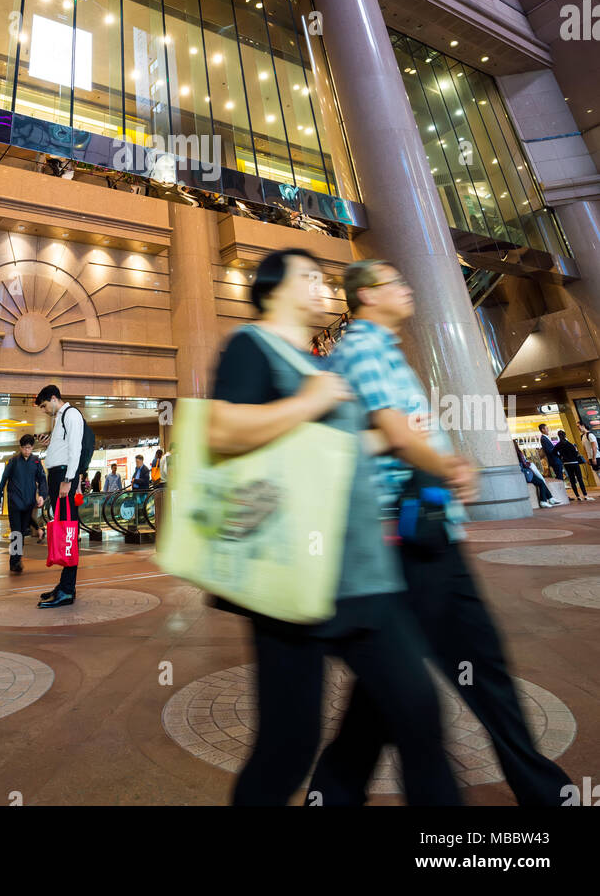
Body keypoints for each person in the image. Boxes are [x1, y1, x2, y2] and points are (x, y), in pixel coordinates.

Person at [308, 259, 573, 808]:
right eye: (395, 283)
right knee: (464, 671)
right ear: (368, 296)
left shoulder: (381, 349)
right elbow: (396, 431)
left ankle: (333, 790)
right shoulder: (363, 348)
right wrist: (451, 466)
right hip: (409, 538)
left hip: (420, 534)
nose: (407, 288)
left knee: (412, 680)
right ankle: (541, 795)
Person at [211, 248, 464, 807]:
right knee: (288, 746)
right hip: (290, 581)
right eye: (308, 275)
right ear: (275, 288)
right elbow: (222, 430)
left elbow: (333, 454)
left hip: (359, 573)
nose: (321, 284)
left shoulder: (322, 364)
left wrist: (390, 438)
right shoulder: (250, 347)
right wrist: (309, 402)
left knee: (419, 708)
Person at [36, 385, 84, 608]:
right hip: (58, 476)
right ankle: (65, 585)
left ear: (54, 398)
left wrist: (68, 479)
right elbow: (65, 448)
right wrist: (51, 445)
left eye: (45, 405)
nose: (45, 410)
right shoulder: (60, 418)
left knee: (68, 533)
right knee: (65, 529)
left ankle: (67, 590)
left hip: (64, 477)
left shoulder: (71, 414)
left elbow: (76, 449)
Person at [0, 435, 47, 573]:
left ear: (32, 448)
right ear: (20, 447)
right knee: (16, 533)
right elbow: (4, 479)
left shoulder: (36, 461)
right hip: (14, 503)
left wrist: (42, 495)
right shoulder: (13, 461)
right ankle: (15, 561)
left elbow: (42, 479)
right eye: (24, 448)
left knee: (22, 533)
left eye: (29, 448)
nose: (27, 451)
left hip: (28, 502)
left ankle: (15, 560)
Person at [515, 442, 555, 509]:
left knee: (541, 481)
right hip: (525, 474)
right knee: (541, 482)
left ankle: (550, 498)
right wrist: (529, 464)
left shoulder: (513, 454)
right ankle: (544, 501)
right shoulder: (519, 453)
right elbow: (524, 464)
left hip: (520, 474)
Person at [556, 430, 590, 502]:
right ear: (565, 435)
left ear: (558, 436)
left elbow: (553, 452)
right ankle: (585, 495)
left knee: (572, 480)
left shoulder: (558, 445)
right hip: (574, 463)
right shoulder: (570, 444)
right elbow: (575, 453)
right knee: (580, 479)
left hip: (567, 464)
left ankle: (578, 496)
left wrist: (561, 457)